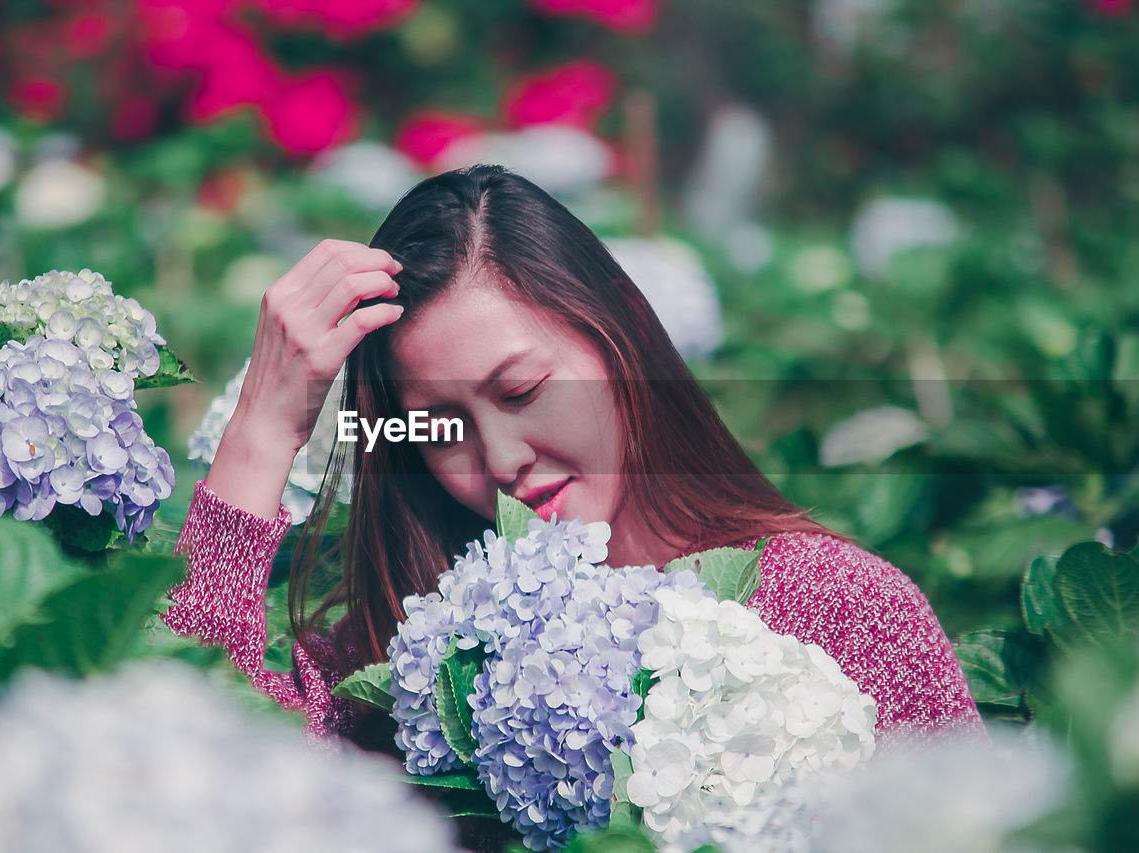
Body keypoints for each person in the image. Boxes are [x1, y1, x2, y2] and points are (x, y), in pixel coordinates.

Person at [162, 164, 984, 752]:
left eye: (522, 389)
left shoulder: (835, 607)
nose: (504, 456)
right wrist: (261, 433)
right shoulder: (404, 668)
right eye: (440, 424)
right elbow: (183, 745)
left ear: (620, 330)